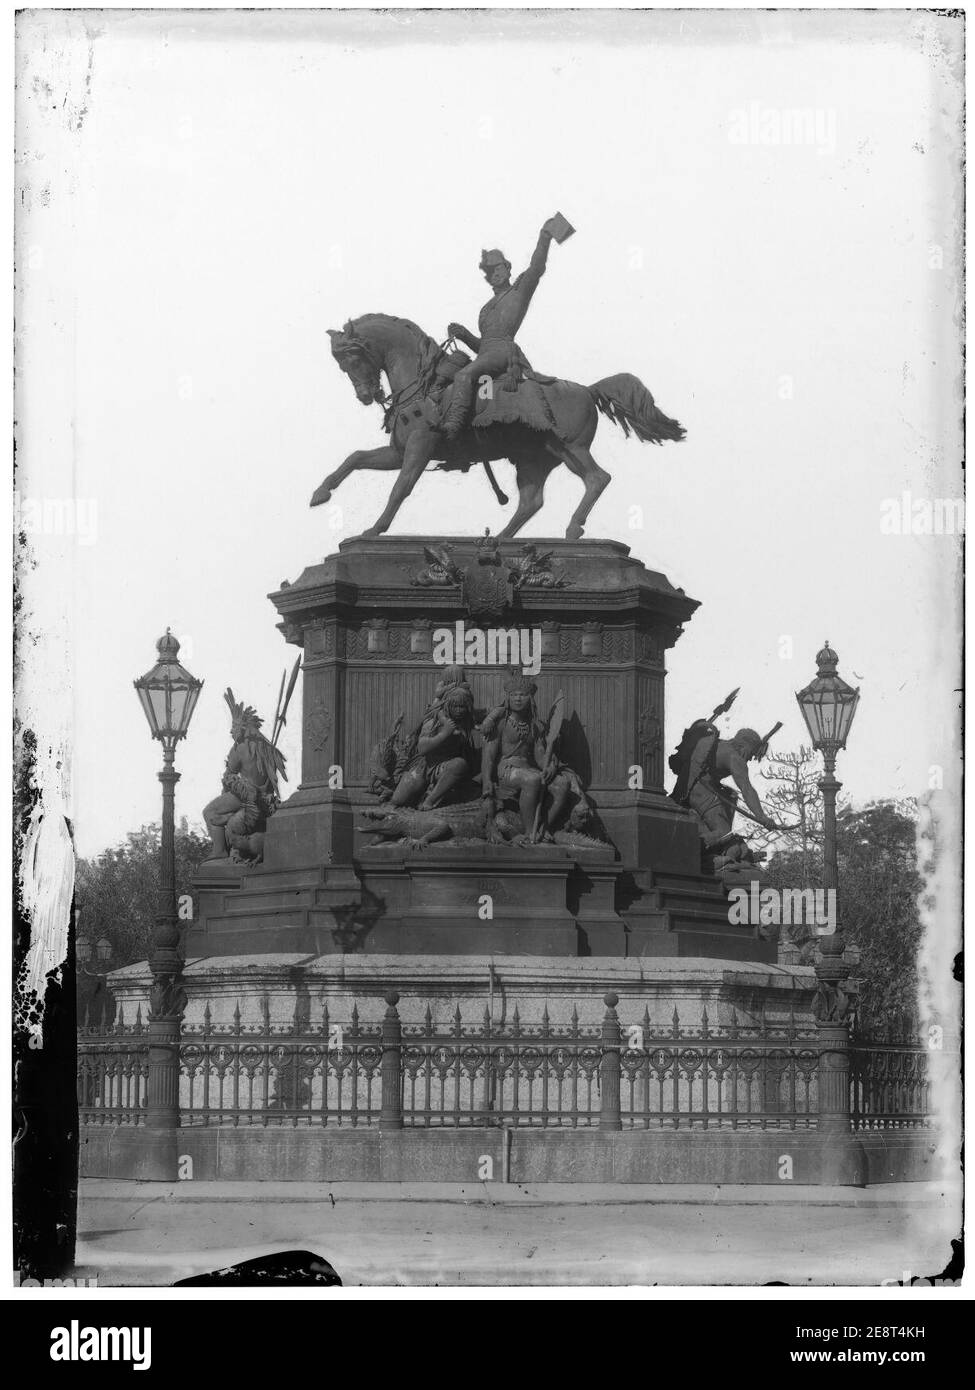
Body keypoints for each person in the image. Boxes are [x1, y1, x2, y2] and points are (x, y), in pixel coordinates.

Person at [441, 218, 561, 440]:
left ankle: (454, 426)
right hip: (489, 354)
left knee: (464, 375)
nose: (493, 273)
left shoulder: (518, 292)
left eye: (497, 267)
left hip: (504, 352)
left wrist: (544, 238)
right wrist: (464, 335)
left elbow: (536, 268)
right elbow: (484, 346)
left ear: (507, 268)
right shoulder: (486, 309)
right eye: (489, 272)